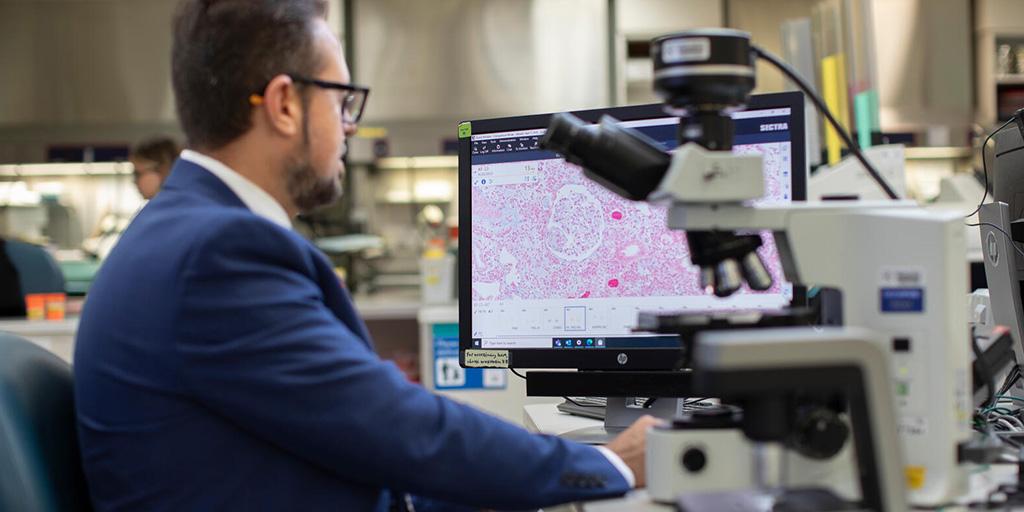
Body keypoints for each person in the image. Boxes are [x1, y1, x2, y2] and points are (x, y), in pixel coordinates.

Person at [73, 1, 660, 511]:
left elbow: (349, 443)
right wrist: (612, 465)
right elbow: (398, 430)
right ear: (284, 104)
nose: (351, 127)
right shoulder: (216, 253)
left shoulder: (185, 229)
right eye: (343, 101)